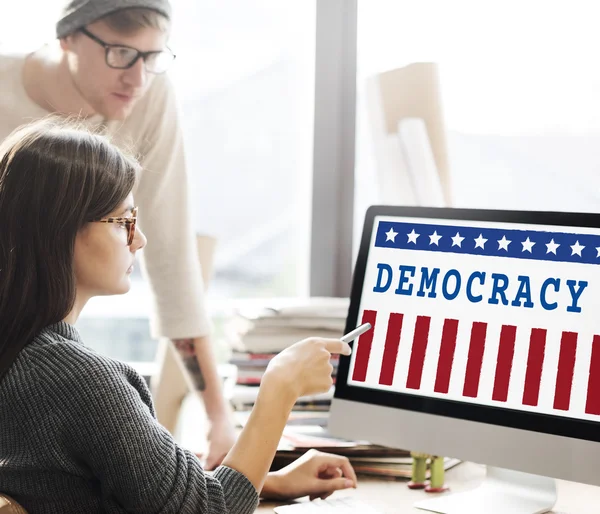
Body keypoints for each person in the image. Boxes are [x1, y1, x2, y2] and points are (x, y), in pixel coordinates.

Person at [0, 118, 357, 513]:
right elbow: (208, 510)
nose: (140, 240)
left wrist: (265, 482)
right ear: (60, 231)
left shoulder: (23, 357)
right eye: (124, 222)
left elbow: (102, 489)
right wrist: (280, 388)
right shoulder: (78, 381)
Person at [0, 0, 236, 468]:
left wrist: (218, 417)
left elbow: (170, 256)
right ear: (67, 37)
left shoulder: (150, 94)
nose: (138, 78)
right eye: (121, 54)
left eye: (153, 58)